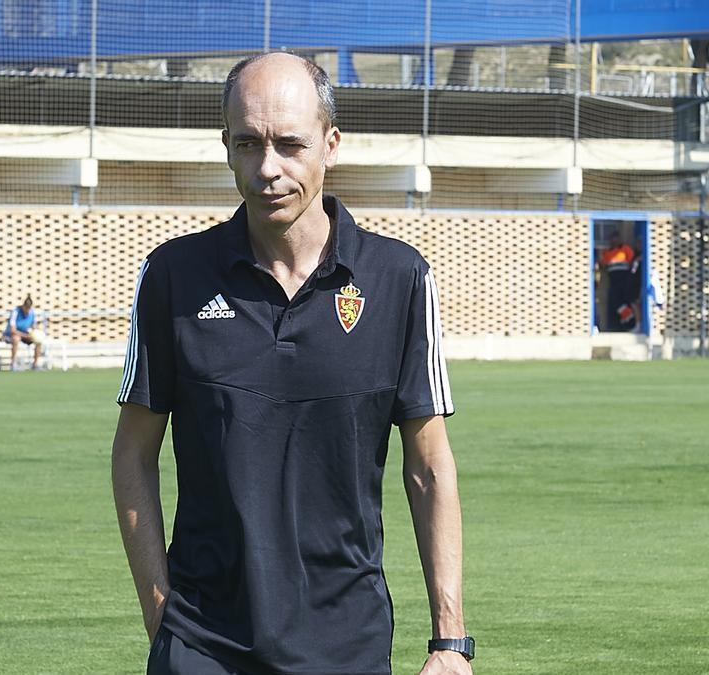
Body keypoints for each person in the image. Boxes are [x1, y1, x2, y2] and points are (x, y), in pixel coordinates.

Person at [111, 52, 473, 675]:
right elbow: (133, 454)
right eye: (248, 143)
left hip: (347, 646)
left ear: (331, 145)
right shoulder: (173, 275)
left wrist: (450, 640)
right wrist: (161, 617)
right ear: (226, 147)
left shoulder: (400, 279)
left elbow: (429, 467)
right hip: (201, 647)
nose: (268, 169)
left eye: (290, 144)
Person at [599, 231, 636, 331]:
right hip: (613, 280)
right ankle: (617, 326)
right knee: (614, 302)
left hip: (624, 280)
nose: (613, 241)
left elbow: (633, 262)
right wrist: (600, 256)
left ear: (619, 239)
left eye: (615, 238)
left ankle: (629, 324)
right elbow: (603, 266)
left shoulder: (625, 249)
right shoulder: (607, 252)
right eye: (612, 239)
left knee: (624, 301)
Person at [1, 295, 44, 371]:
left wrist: (35, 333)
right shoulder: (16, 312)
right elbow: (13, 330)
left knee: (38, 341)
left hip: (25, 335)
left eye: (29, 308)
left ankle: (35, 364)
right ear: (23, 306)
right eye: (26, 308)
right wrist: (25, 335)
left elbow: (34, 326)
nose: (27, 310)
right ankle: (13, 364)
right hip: (11, 335)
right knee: (16, 339)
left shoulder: (31, 313)